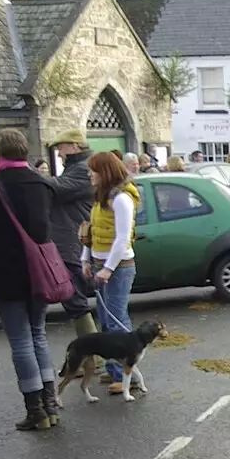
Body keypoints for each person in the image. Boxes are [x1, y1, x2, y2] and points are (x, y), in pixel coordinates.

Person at [0, 128, 61, 432]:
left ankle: (36, 411)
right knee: (39, 336)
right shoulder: (43, 185)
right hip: (40, 272)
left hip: (5, 275)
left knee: (20, 342)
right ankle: (51, 406)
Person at [81, 151, 143, 395]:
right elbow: (92, 231)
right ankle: (114, 368)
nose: (89, 175)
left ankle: (127, 376)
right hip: (100, 263)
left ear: (104, 172)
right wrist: (86, 259)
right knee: (106, 321)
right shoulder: (101, 198)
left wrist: (107, 269)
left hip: (119, 267)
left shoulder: (121, 199)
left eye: (93, 170)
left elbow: (122, 238)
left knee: (117, 320)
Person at [48, 128, 102, 342]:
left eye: (61, 148)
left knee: (75, 298)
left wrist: (25, 175)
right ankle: (92, 355)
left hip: (73, 241)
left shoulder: (83, 169)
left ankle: (93, 355)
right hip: (70, 239)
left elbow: (58, 188)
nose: (59, 153)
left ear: (74, 146)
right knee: (73, 298)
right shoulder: (77, 167)